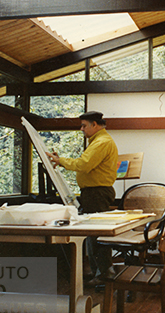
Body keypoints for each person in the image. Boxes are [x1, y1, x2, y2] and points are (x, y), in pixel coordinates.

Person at [46, 111, 118, 282]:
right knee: (93, 235)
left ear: (95, 124)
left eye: (84, 125)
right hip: (95, 192)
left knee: (96, 235)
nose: (82, 129)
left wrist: (61, 161)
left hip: (97, 193)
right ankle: (99, 273)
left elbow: (84, 165)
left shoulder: (101, 142)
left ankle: (103, 274)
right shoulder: (99, 141)